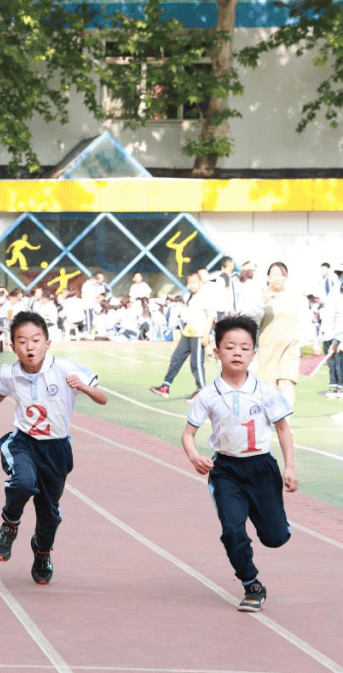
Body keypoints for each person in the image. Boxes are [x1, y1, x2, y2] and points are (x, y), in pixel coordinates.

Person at [0, 311, 107, 584]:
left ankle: (42, 552)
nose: (30, 347)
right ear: (13, 345)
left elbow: (103, 398)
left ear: (47, 343)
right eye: (22, 341)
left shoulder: (65, 369)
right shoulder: (10, 373)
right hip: (24, 442)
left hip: (57, 449)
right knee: (23, 482)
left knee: (49, 514)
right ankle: (9, 525)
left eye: (36, 340)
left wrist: (85, 388)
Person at [179, 315, 297, 613]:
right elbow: (188, 433)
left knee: (275, 538)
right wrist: (194, 455)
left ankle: (278, 524)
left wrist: (290, 467)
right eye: (230, 347)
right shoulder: (208, 395)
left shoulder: (265, 391)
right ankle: (251, 584)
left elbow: (283, 428)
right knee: (232, 529)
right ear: (216, 351)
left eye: (245, 348)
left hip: (262, 469)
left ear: (253, 353)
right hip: (226, 472)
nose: (237, 353)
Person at [149, 272, 215, 400]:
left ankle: (201, 390)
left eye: (194, 282)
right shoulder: (188, 296)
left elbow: (210, 317)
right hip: (187, 333)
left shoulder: (204, 296)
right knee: (176, 358)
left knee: (196, 363)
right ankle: (165, 386)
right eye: (189, 283)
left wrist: (206, 335)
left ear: (200, 282)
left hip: (198, 334)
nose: (191, 285)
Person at [248, 262, 304, 409]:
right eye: (274, 275)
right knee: (269, 386)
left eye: (281, 275)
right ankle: (271, 416)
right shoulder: (261, 296)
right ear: (268, 277)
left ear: (286, 277)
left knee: (287, 382)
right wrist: (262, 301)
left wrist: (301, 337)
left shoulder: (294, 297)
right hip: (268, 347)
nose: (278, 278)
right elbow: (249, 316)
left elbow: (303, 319)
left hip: (289, 347)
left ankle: (286, 419)